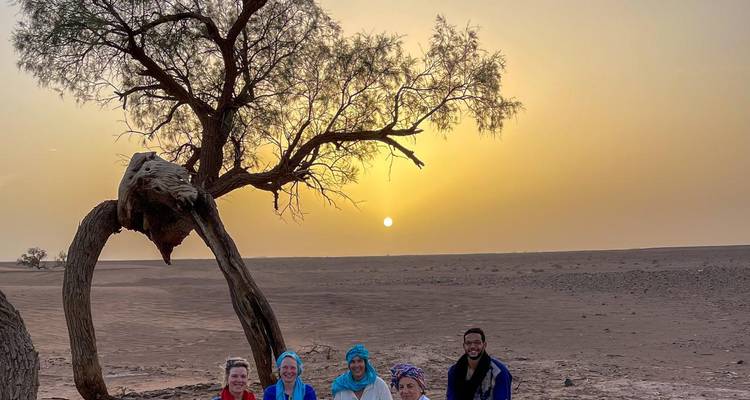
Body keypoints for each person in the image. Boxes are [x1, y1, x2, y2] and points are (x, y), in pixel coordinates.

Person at [446, 328, 512, 400]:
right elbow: (451, 397)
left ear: (484, 345)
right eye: (468, 343)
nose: (472, 346)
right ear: (464, 346)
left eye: (477, 343)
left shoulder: (499, 372)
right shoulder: (454, 371)